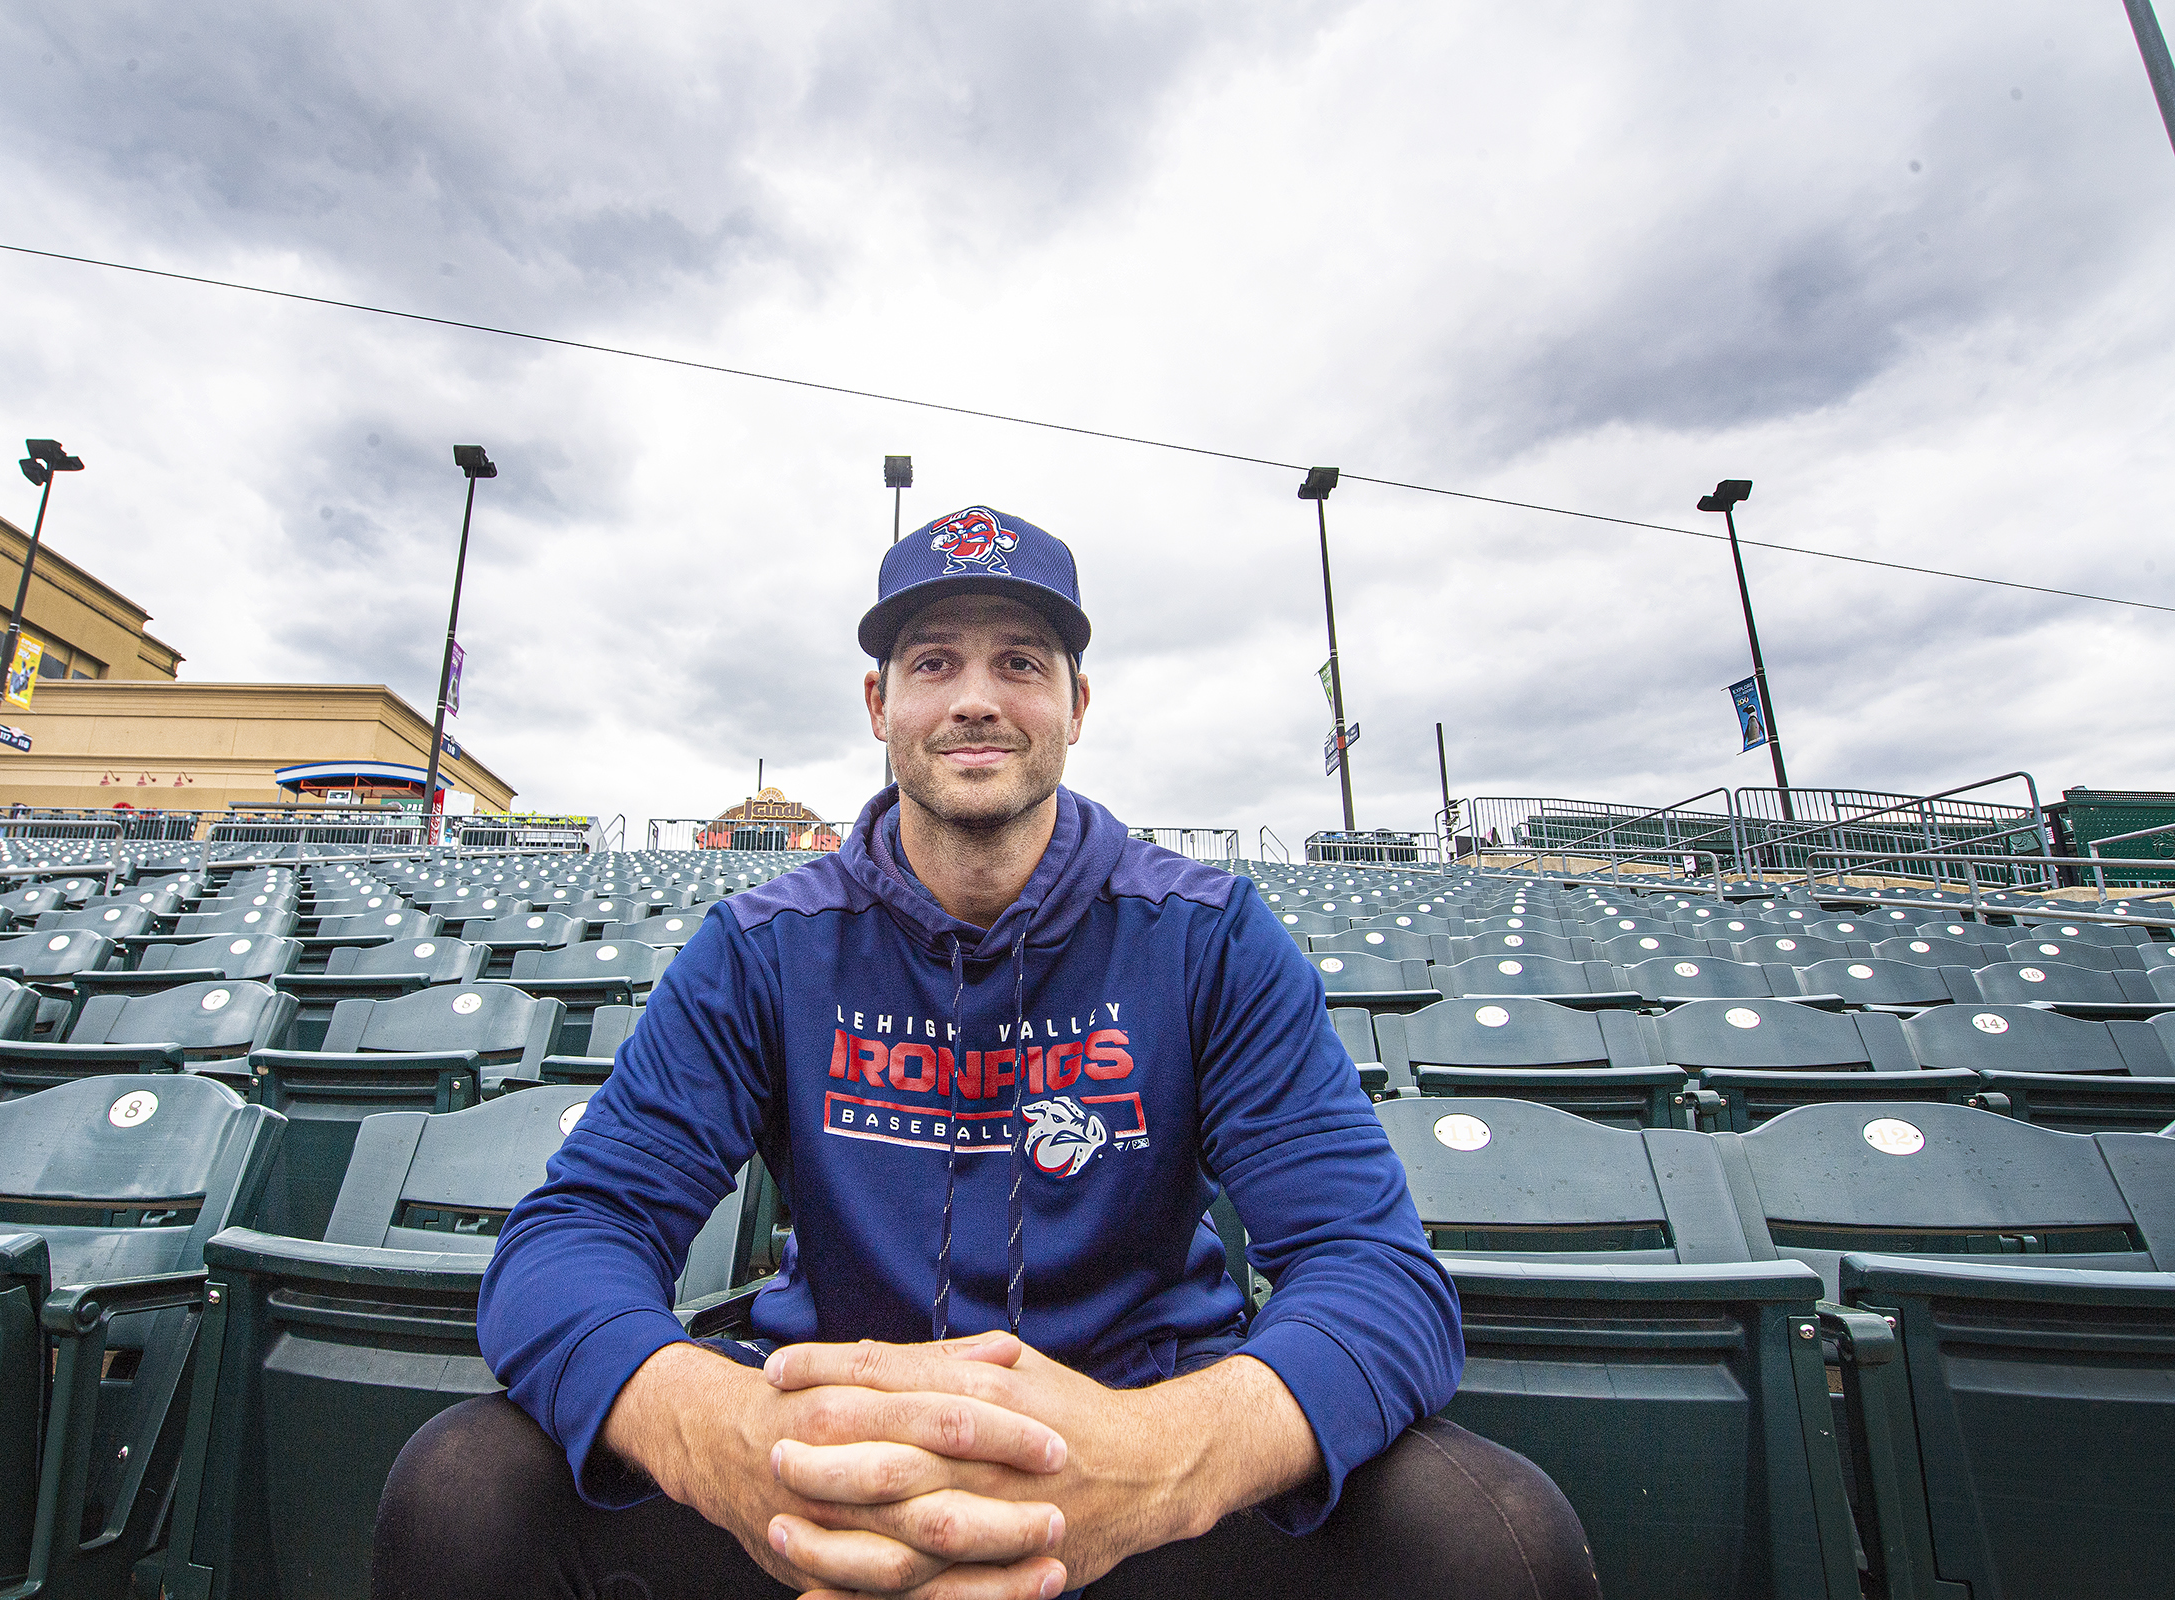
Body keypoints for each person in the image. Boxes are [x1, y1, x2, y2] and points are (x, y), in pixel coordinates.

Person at [375, 507, 1595, 1600]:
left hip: (1131, 1457)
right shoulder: (765, 945)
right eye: (933, 662)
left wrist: (1160, 1462)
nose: (975, 697)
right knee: (465, 1488)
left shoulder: (1210, 936)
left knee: (1495, 1534)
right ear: (879, 706)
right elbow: (569, 1237)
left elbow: (1374, 1273)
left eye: (1020, 661)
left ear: (1076, 705)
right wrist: (729, 1437)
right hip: (828, 1469)